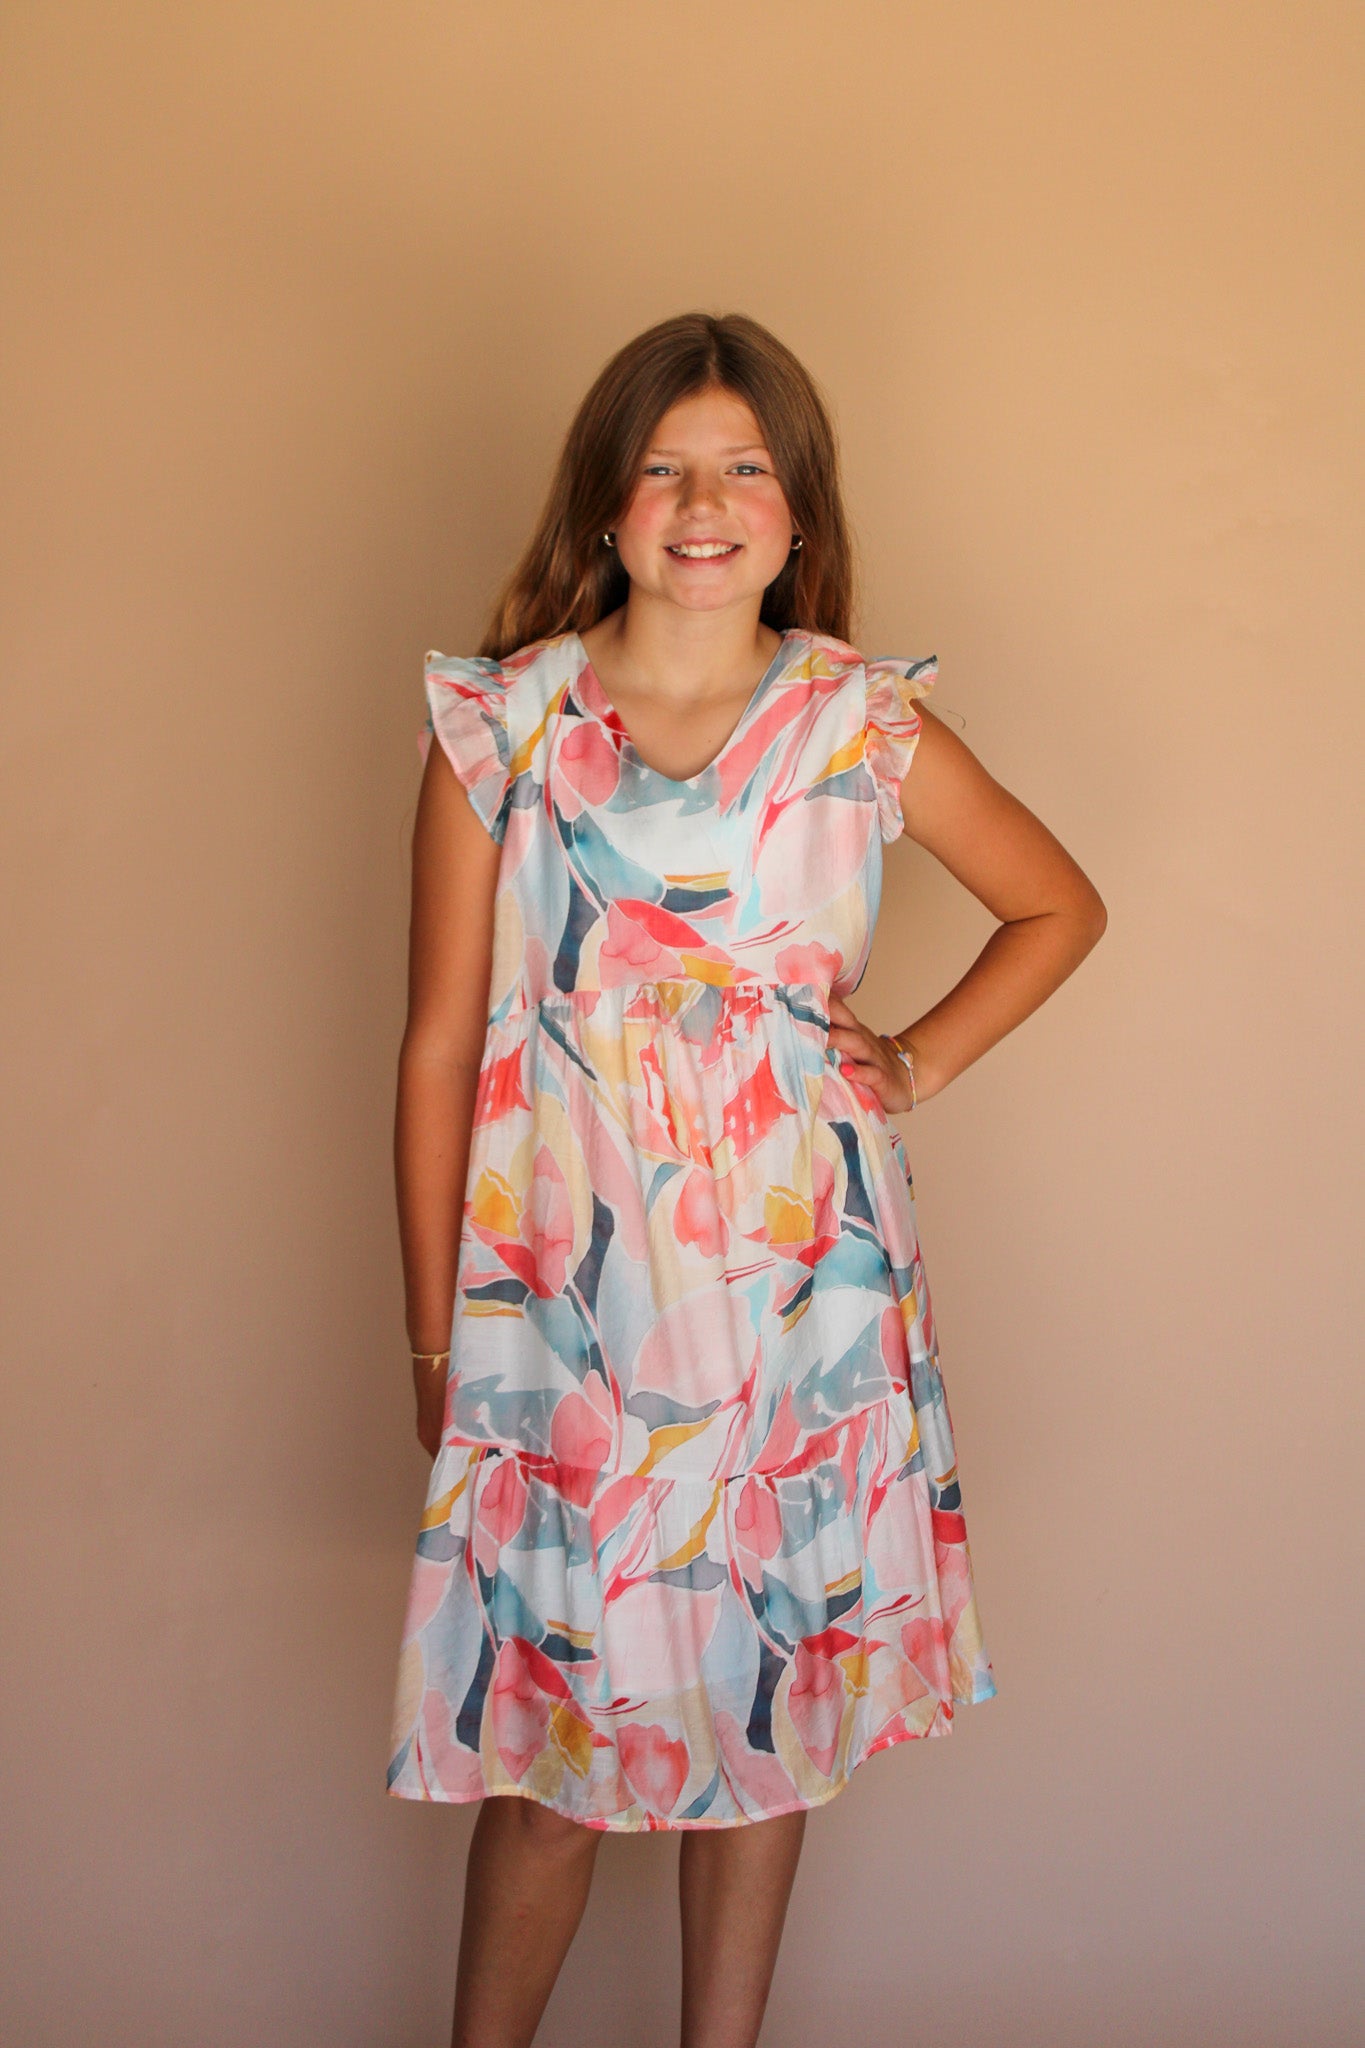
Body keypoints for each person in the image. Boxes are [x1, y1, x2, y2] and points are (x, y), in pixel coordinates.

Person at [388, 310, 1106, 2048]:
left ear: (795, 513)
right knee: (551, 1762)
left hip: (803, 1311)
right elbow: (436, 1047)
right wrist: (431, 1342)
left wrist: (912, 1059)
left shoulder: (859, 723)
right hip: (565, 1330)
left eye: (743, 469)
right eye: (663, 469)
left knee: (773, 1727)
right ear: (605, 503)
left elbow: (1056, 906)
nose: (703, 504)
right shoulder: (505, 726)